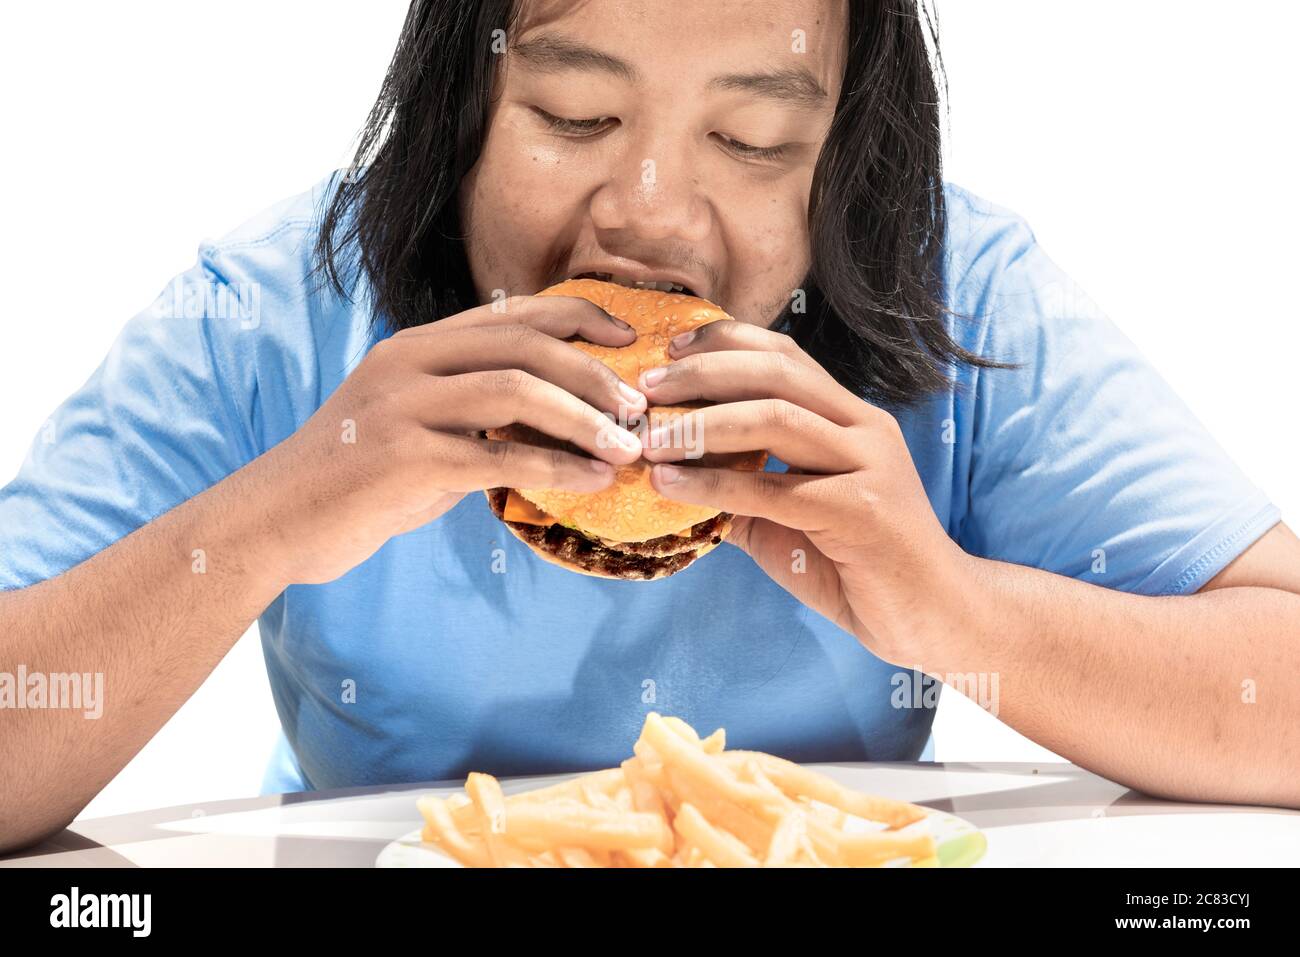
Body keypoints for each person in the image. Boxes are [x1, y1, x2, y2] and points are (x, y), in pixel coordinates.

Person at [2, 0, 1297, 853]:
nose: (654, 216)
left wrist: (956, 610)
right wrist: (273, 520)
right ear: (462, 112)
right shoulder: (272, 308)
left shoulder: (954, 292)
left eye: (752, 135)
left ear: (844, 154)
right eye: (574, 119)